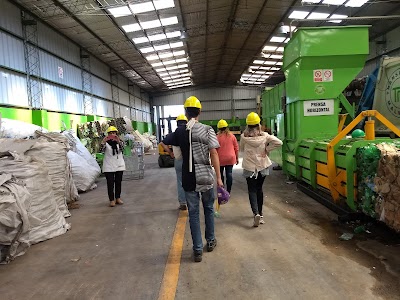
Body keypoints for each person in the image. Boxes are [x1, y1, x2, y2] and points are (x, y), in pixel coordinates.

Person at [170, 96, 223, 262]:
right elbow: (214, 153)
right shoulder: (208, 130)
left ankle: (198, 250)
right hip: (206, 176)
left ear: (185, 113)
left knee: (193, 214)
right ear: (199, 111)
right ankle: (211, 240)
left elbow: (169, 145)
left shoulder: (181, 131)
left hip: (189, 178)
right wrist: (219, 179)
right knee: (208, 209)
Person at [240, 112, 283, 227]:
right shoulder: (265, 136)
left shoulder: (244, 137)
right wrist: (267, 149)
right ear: (259, 124)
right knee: (259, 189)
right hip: (262, 166)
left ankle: (255, 214)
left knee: (251, 190)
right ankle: (261, 215)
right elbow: (279, 142)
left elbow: (241, 149)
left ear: (247, 125)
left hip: (249, 168)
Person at [159, 114, 188, 210]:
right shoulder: (190, 132)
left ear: (177, 123)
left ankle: (183, 202)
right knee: (191, 180)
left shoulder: (174, 134)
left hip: (178, 160)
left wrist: (170, 153)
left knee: (180, 182)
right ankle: (191, 201)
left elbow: (162, 143)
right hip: (189, 161)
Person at [101, 126, 126, 207]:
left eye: (114, 133)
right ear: (108, 134)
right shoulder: (105, 143)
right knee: (110, 183)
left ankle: (118, 198)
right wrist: (103, 142)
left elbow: (123, 149)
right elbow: (101, 151)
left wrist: (118, 141)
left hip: (119, 165)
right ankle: (111, 200)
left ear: (116, 133)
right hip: (109, 166)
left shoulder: (120, 142)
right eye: (110, 133)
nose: (112, 135)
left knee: (118, 182)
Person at [216, 119, 239, 194]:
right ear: (227, 127)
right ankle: (228, 191)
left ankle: (222, 190)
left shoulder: (217, 137)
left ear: (218, 128)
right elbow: (236, 148)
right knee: (229, 173)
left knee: (220, 175)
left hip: (220, 159)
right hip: (230, 158)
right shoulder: (232, 136)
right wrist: (237, 158)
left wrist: (212, 160)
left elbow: (214, 150)